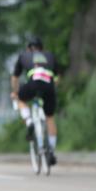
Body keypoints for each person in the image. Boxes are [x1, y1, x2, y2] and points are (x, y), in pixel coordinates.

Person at [10, 36, 60, 165]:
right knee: (50, 117)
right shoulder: (50, 55)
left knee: (19, 99)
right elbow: (57, 77)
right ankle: (52, 151)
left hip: (33, 83)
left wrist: (15, 92)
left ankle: (29, 120)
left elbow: (15, 77)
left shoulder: (24, 56)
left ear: (28, 48)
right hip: (49, 84)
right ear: (42, 48)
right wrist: (52, 90)